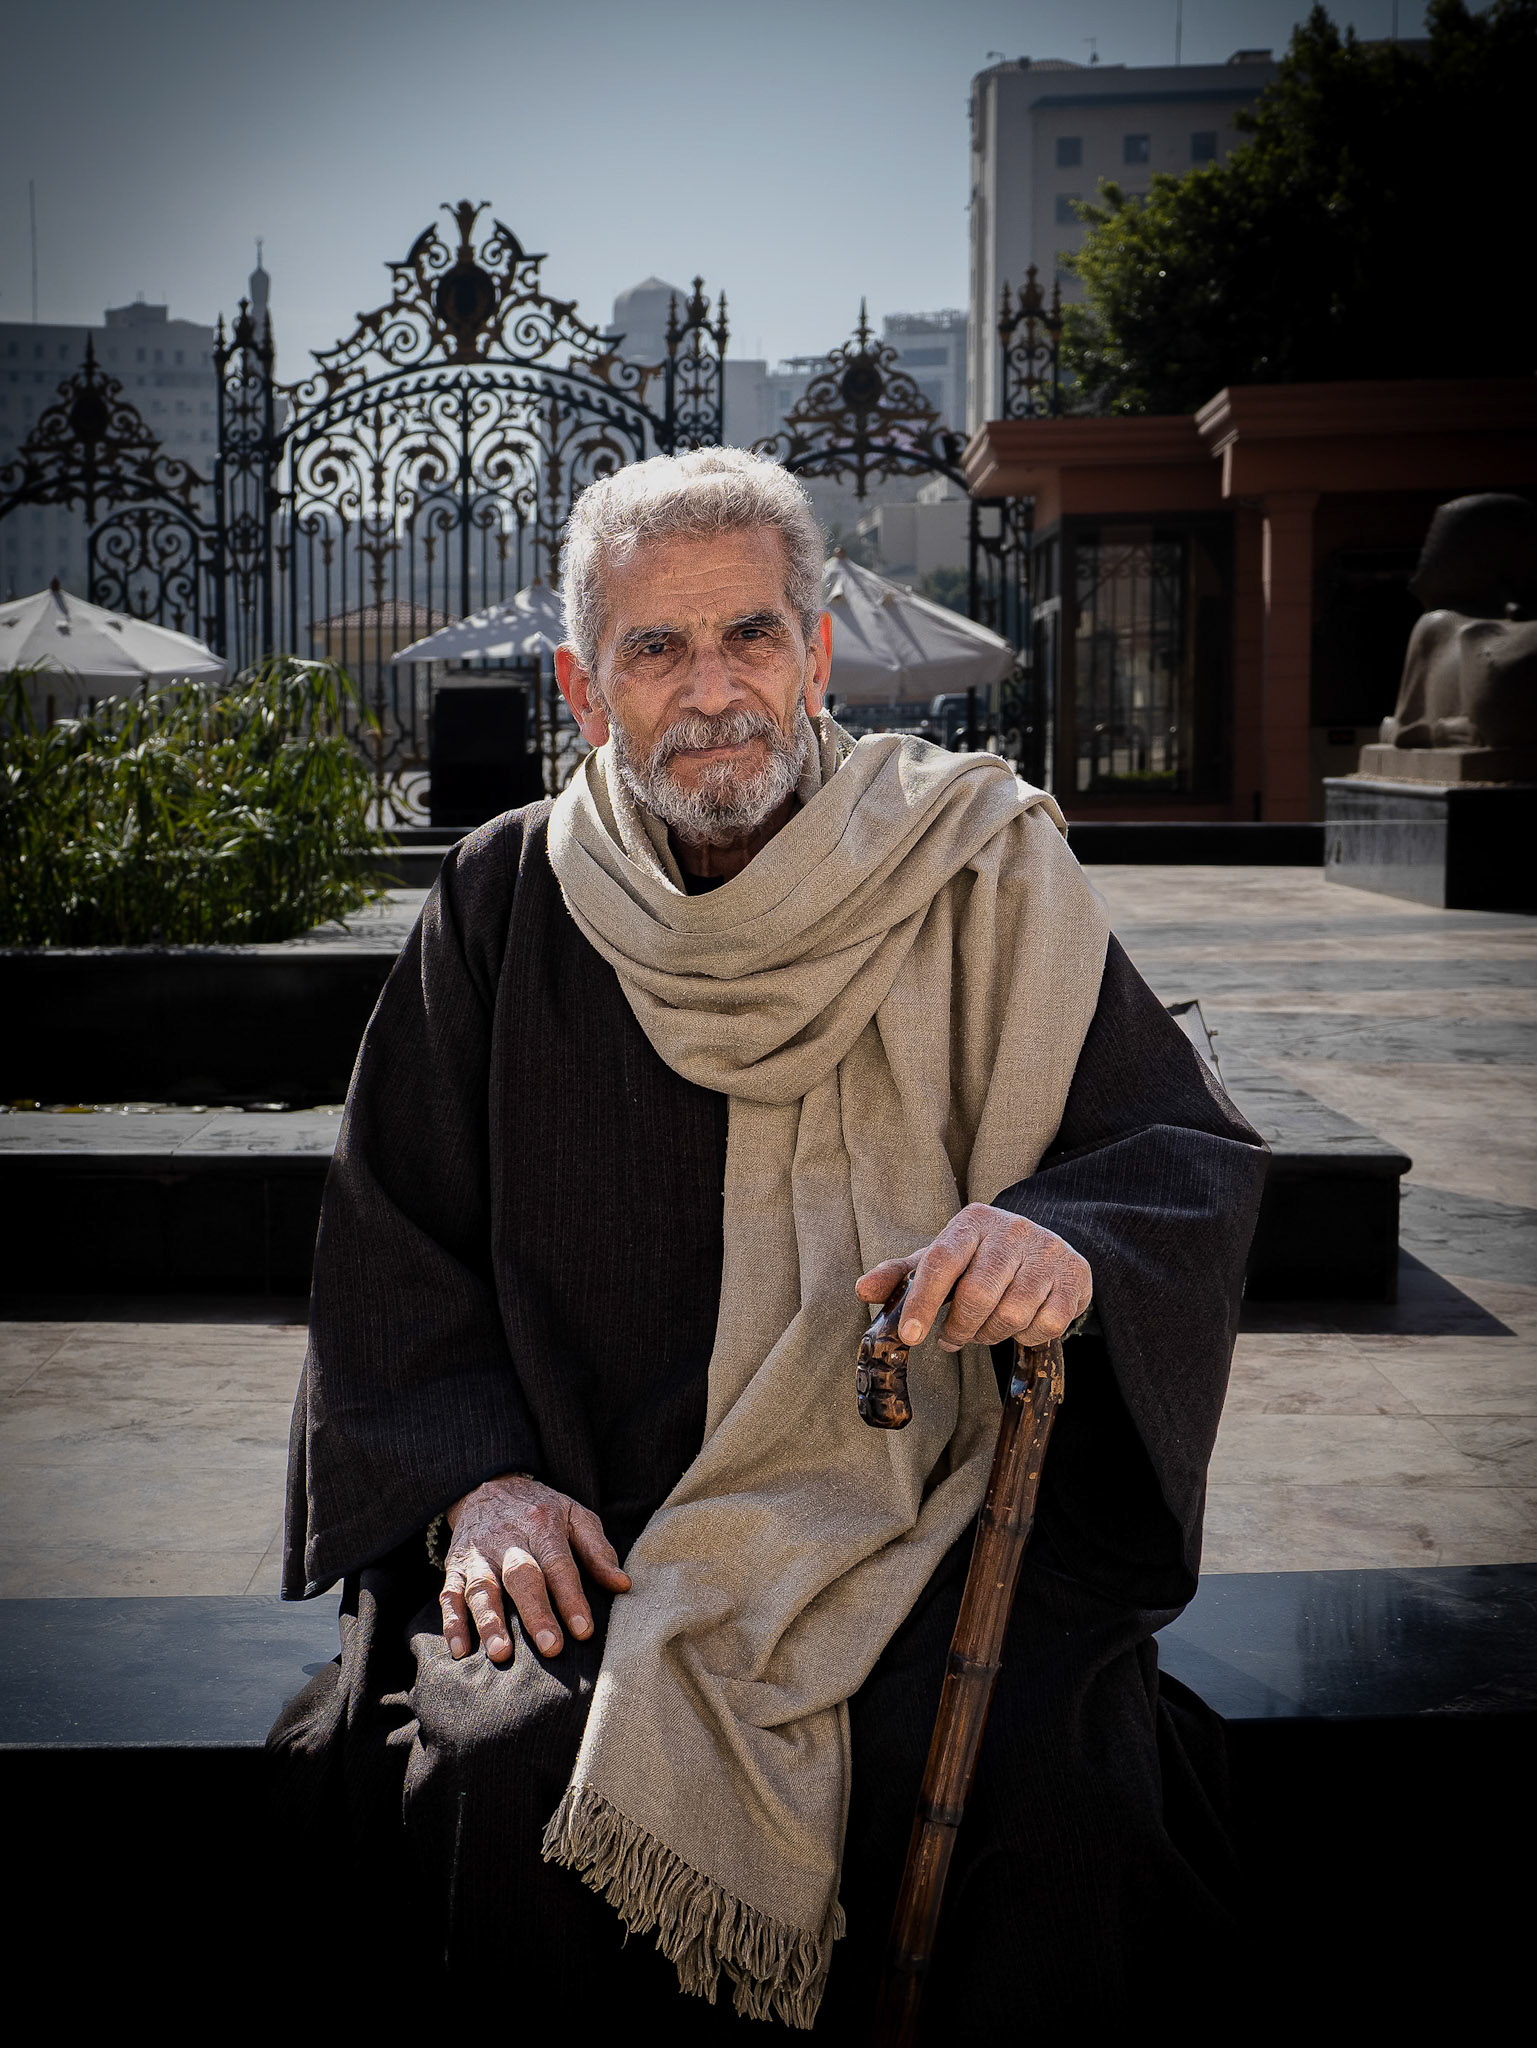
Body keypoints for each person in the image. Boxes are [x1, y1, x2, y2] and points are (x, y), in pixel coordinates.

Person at [271, 448, 1267, 2036]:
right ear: (582, 689)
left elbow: (1173, 1154)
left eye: (749, 635)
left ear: (815, 655)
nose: (712, 689)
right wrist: (481, 1484)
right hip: (588, 1511)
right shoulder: (500, 898)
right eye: (655, 648)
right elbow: (394, 1245)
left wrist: (1058, 1241)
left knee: (1050, 1793)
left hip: (912, 1505)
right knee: (500, 1766)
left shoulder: (978, 867)